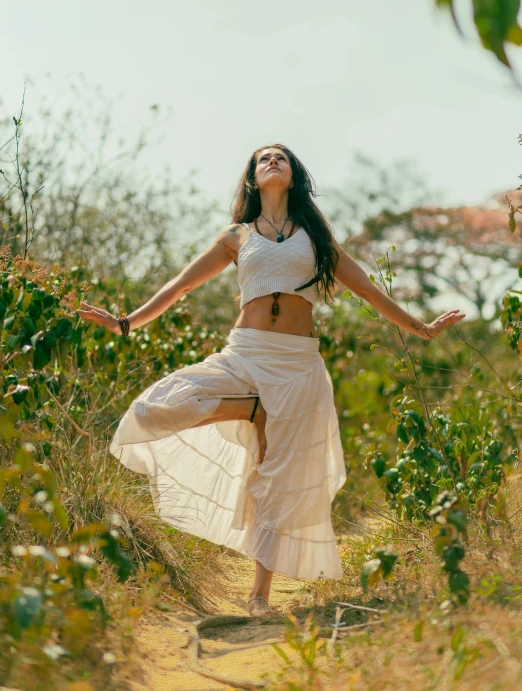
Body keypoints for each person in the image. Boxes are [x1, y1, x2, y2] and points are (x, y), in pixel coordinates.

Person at [76, 143, 465, 617]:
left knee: (276, 480)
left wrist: (421, 328)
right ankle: (251, 407)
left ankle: (259, 596)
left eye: (280, 157)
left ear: (293, 174)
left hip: (298, 365)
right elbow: (180, 286)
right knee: (155, 406)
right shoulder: (237, 236)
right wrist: (125, 322)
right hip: (246, 353)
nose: (272, 162)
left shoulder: (315, 235)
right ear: (253, 178)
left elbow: (365, 288)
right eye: (264, 159)